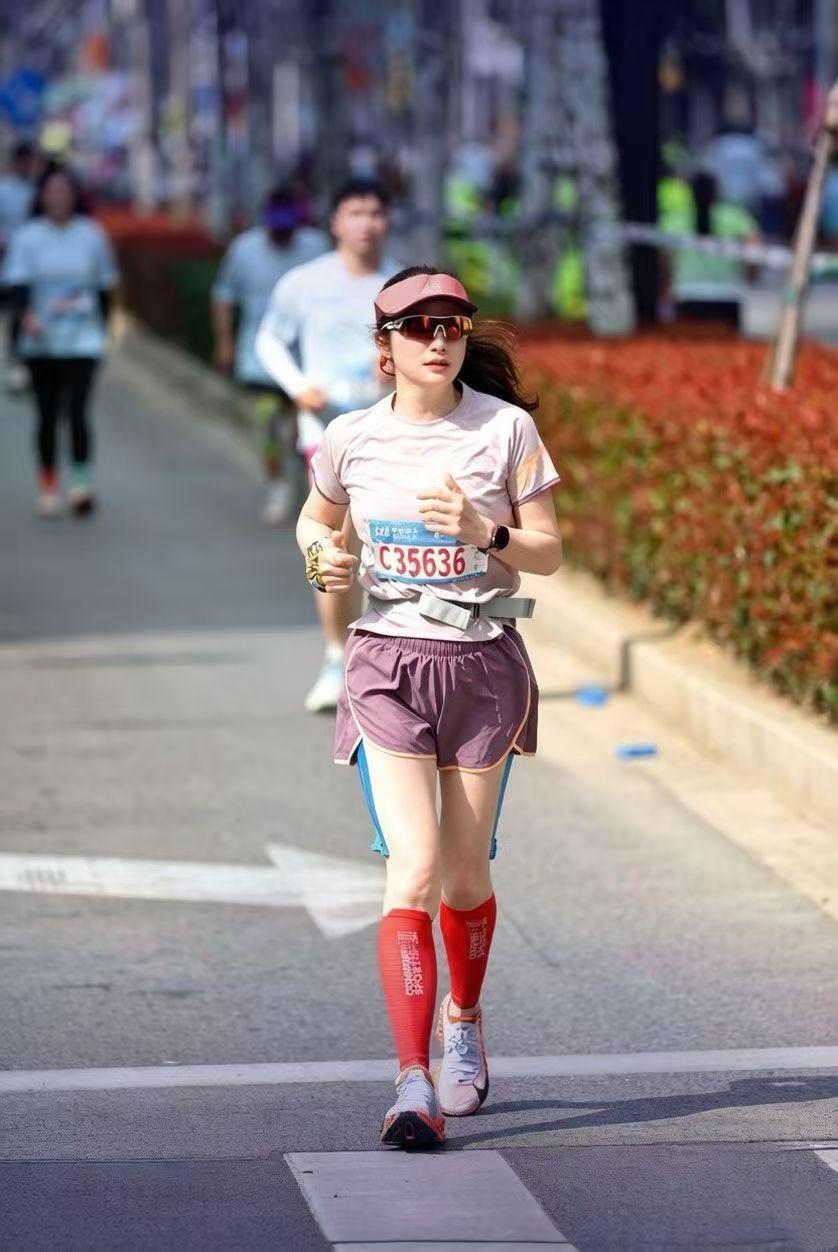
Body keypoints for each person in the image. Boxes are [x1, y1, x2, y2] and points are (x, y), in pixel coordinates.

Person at [296, 266, 562, 1147]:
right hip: (387, 664)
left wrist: (484, 532)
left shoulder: (506, 429)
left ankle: (464, 1021)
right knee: (409, 870)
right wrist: (322, 559)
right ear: (385, 348)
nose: (439, 339)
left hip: (482, 665)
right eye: (417, 327)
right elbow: (315, 520)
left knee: (464, 875)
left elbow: (549, 553)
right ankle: (412, 1081)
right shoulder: (351, 437)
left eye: (452, 324)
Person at [256, 178, 399, 712]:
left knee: (384, 546)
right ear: (335, 222)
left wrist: (395, 367)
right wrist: (297, 386)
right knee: (337, 546)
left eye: (376, 212)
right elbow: (269, 339)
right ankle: (337, 659)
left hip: (389, 430)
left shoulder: (400, 285)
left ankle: (383, 656)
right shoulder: (304, 282)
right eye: (355, 212)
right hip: (326, 433)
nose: (366, 223)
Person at [3, 165, 118, 517]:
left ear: (74, 196)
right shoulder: (28, 237)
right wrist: (26, 320)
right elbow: (16, 287)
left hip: (83, 340)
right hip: (41, 342)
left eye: (64, 191)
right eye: (51, 191)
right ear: (42, 197)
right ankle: (49, 485)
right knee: (48, 414)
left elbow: (105, 288)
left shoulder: (92, 236)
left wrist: (106, 332)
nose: (58, 197)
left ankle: (81, 484)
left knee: (79, 410)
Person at [211, 187, 327, 525]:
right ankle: (278, 486)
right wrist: (224, 342)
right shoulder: (244, 249)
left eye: (288, 227)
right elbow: (223, 296)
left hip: (307, 362)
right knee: (269, 427)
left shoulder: (315, 247)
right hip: (259, 362)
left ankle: (305, 484)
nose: (282, 234)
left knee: (299, 431)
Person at [670, 170, 759, 333]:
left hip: (687, 297)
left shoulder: (675, 220)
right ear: (716, 192)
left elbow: (664, 263)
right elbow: (754, 252)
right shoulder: (737, 218)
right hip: (727, 297)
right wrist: (751, 277)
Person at [0, 141, 37, 394]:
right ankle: (17, 365)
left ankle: (30, 366)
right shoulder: (4, 190)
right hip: (11, 262)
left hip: (38, 264)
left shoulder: (38, 189)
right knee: (16, 312)